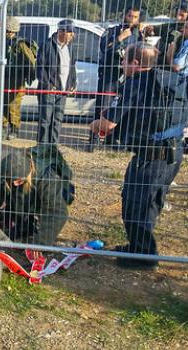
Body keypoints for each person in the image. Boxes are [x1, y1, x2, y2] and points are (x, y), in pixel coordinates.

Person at [90, 42, 187, 270]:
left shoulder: (136, 83)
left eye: (124, 60)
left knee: (136, 204)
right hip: (172, 154)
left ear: (135, 63)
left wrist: (94, 125)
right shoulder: (166, 81)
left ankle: (144, 257)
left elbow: (109, 123)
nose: (122, 64)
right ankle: (138, 247)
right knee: (150, 202)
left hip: (151, 156)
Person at [0, 146, 71, 258]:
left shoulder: (46, 176)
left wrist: (40, 244)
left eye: (18, 180)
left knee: (47, 205)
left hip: (55, 189)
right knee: (13, 196)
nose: (14, 183)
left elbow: (58, 212)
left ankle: (33, 222)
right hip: (30, 185)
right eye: (11, 180)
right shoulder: (5, 166)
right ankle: (23, 223)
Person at [97, 6, 143, 147]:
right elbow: (105, 49)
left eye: (135, 17)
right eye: (130, 16)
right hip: (111, 76)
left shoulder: (138, 35)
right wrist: (120, 38)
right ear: (125, 15)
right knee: (103, 107)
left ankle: (115, 141)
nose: (132, 19)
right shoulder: (113, 31)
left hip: (128, 77)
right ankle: (95, 140)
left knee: (122, 108)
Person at [0, 17, 37, 141]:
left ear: (14, 31)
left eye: (9, 31)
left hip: (17, 80)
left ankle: (15, 129)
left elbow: (31, 62)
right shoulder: (4, 43)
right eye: (6, 30)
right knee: (3, 105)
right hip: (3, 79)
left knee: (13, 106)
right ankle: (3, 129)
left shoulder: (21, 44)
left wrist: (29, 78)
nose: (8, 33)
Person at [36, 19, 77, 144]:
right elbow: (40, 68)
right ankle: (42, 147)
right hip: (48, 90)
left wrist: (72, 84)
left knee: (57, 120)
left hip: (62, 91)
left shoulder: (70, 48)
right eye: (70, 32)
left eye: (72, 32)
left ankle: (53, 147)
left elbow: (72, 67)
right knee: (45, 120)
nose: (72, 35)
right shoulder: (47, 46)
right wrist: (48, 85)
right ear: (61, 31)